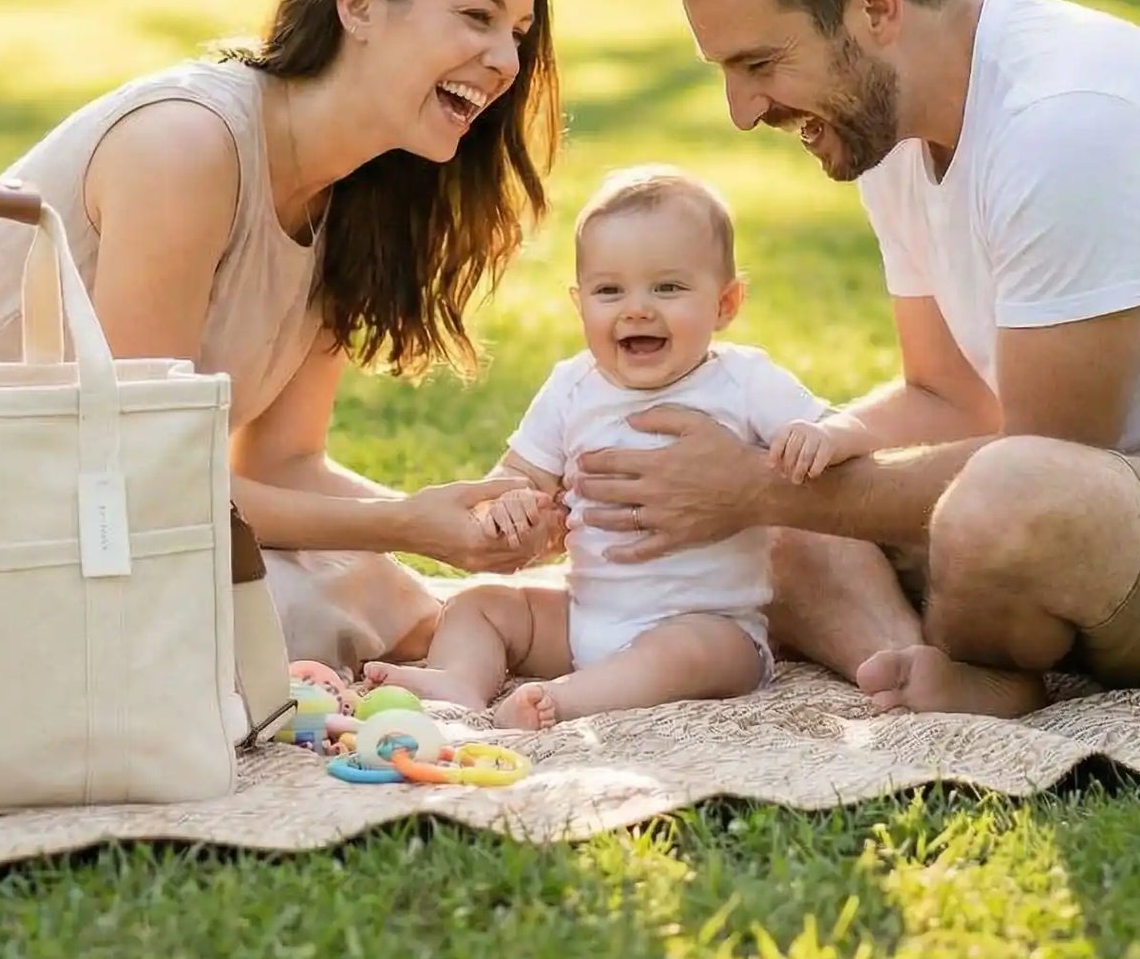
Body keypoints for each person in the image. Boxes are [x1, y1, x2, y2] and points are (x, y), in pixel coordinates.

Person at [569, 0, 1140, 716]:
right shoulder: (886, 131)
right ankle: (911, 662)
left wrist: (751, 487)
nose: (742, 110)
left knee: (993, 503)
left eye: (760, 64)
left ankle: (968, 660)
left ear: (875, 7)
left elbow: (1049, 457)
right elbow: (948, 397)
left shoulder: (1066, 123)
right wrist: (778, 469)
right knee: (788, 510)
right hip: (1129, 507)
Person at [0, 0, 567, 671]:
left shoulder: (355, 198)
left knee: (376, 594)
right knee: (298, 609)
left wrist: (455, 525)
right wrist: (406, 525)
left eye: (516, 36)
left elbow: (281, 465)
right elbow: (144, 476)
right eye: (476, 17)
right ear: (360, 4)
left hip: (97, 502)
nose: (505, 64)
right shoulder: (189, 148)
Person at [362, 165, 878, 729]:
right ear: (578, 302)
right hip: (586, 619)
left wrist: (824, 435)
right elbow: (515, 477)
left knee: (688, 655)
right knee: (478, 604)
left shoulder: (743, 382)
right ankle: (460, 680)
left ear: (726, 304)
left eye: (668, 287)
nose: (637, 308)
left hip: (710, 624)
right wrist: (507, 506)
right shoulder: (571, 387)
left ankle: (569, 701)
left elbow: (845, 424)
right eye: (610, 290)